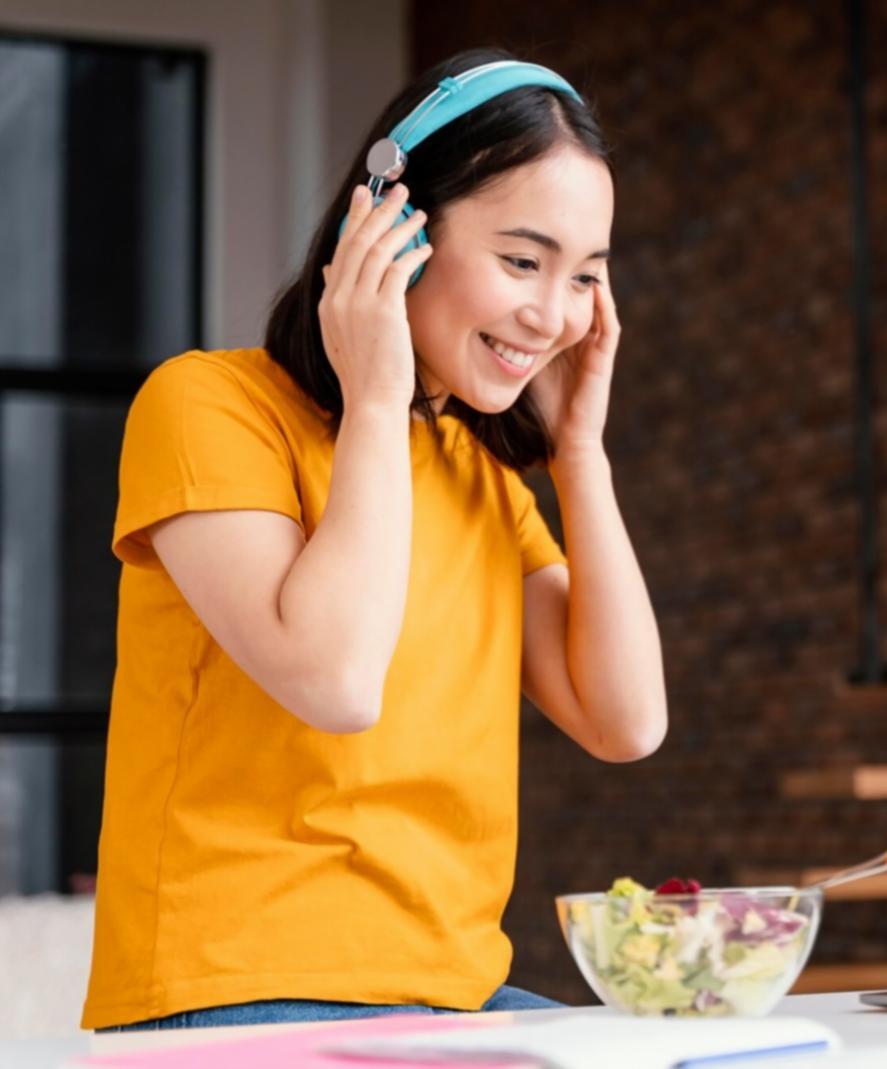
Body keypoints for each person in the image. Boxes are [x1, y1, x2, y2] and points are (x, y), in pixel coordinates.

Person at [81, 47, 666, 1032]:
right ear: (388, 228)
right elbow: (336, 682)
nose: (553, 314)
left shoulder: (479, 474)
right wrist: (378, 400)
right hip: (236, 988)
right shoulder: (207, 406)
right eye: (522, 261)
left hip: (448, 997)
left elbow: (626, 722)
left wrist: (579, 456)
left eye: (584, 279)